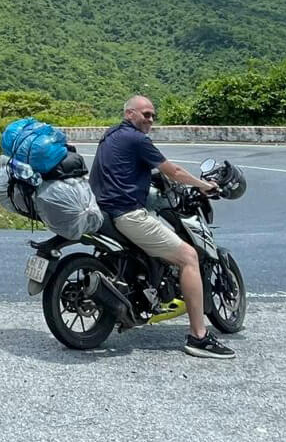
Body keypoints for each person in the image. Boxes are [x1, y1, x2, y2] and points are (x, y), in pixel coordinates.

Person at [88, 95, 235, 360]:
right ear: (130, 113)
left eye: (153, 115)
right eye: (146, 114)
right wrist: (204, 185)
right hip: (128, 215)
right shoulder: (138, 140)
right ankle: (198, 336)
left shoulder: (110, 135)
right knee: (188, 256)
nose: (151, 120)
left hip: (105, 211)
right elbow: (174, 171)